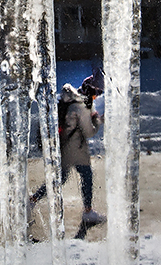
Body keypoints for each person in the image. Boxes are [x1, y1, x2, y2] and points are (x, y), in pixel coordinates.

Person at [30, 77, 106, 226]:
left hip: (66, 147)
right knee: (86, 177)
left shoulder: (73, 101)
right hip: (75, 149)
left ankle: (33, 199)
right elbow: (89, 131)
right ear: (91, 92)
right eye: (96, 94)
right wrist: (97, 120)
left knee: (61, 178)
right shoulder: (82, 105)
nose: (96, 97)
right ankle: (88, 212)